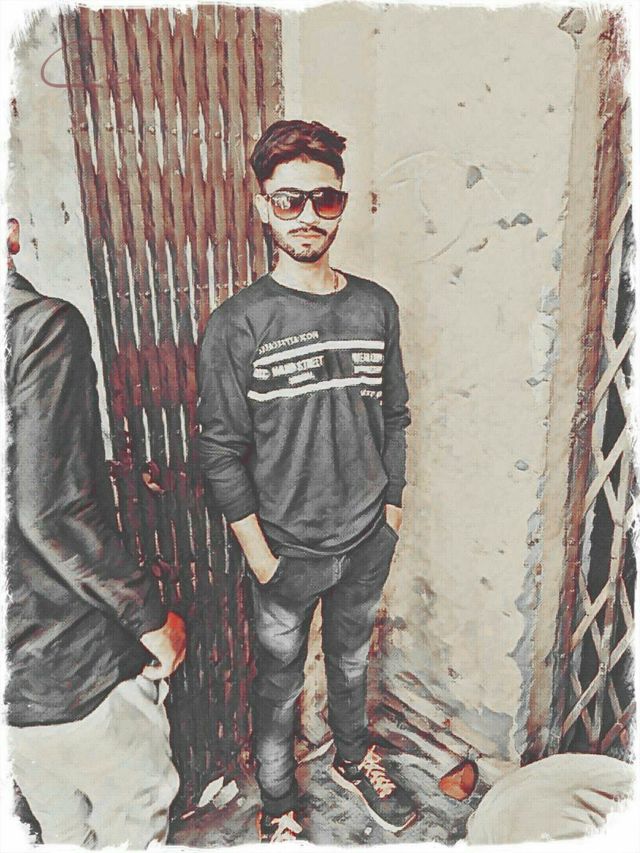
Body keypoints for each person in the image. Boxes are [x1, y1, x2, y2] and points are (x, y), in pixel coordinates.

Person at [197, 120, 417, 842]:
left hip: (366, 539)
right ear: (262, 205)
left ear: (341, 202)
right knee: (279, 683)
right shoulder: (238, 324)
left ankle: (353, 759)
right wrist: (261, 555)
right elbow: (220, 450)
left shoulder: (375, 306)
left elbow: (395, 415)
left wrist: (391, 510)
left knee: (352, 663)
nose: (307, 216)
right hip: (285, 552)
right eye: (288, 200)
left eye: (324, 199)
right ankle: (278, 801)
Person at [4, 217, 186, 848]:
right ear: (12, 230)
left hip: (15, 693)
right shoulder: (36, 327)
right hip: (73, 664)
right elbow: (48, 512)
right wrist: (150, 617)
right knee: (134, 816)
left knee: (61, 830)